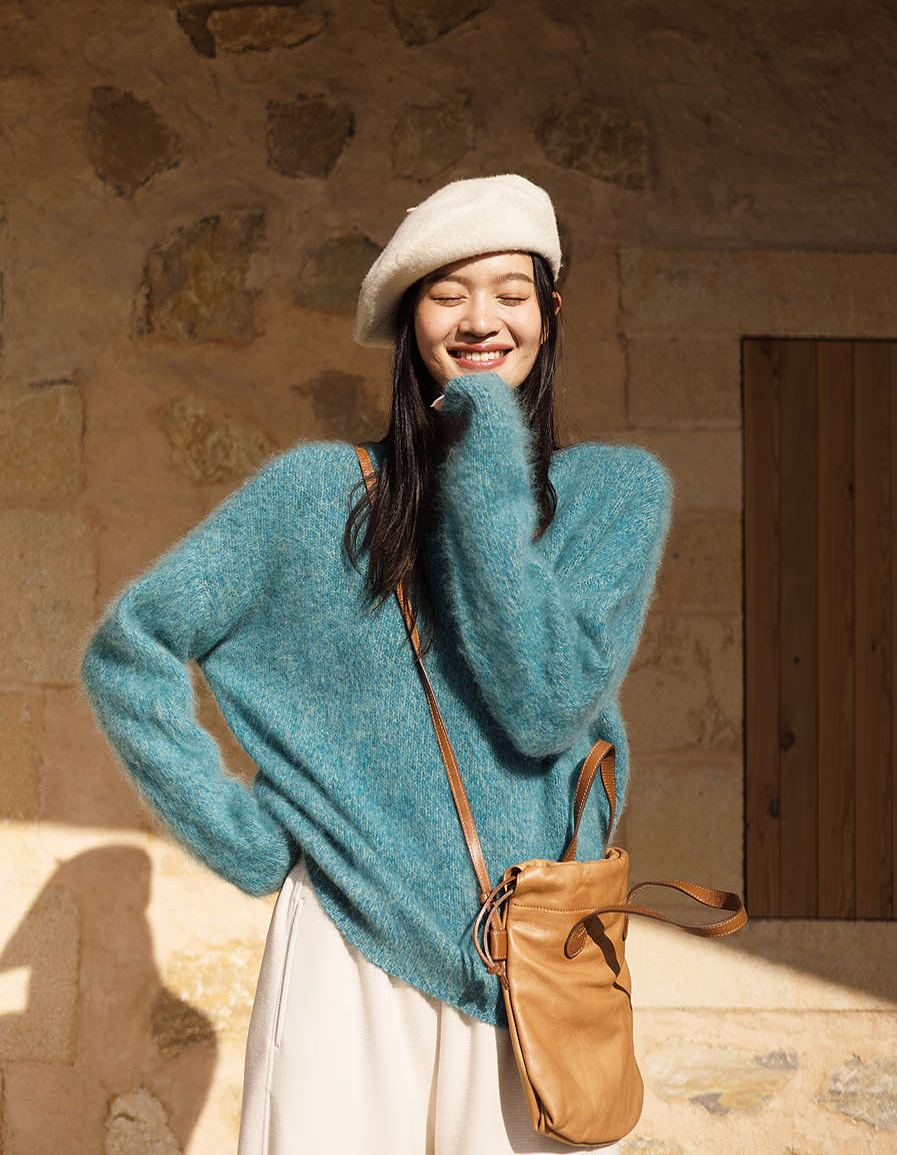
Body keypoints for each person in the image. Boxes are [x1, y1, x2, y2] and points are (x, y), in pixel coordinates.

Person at [81, 172, 675, 1155]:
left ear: (550, 312)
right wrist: (240, 835)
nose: (481, 318)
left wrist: (484, 449)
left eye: (511, 292)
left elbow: (543, 702)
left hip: (536, 968)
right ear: (409, 320)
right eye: (448, 293)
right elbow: (130, 645)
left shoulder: (615, 494)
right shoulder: (317, 497)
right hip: (344, 952)